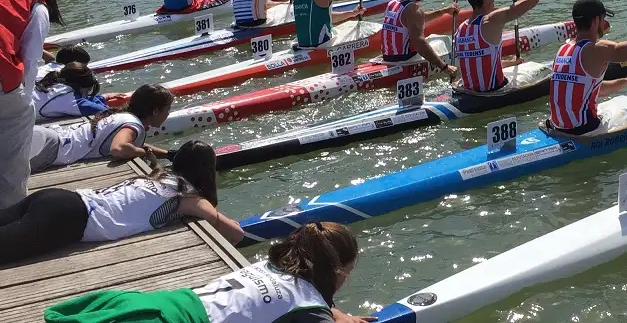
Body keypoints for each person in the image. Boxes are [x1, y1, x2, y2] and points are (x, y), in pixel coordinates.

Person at [44, 222, 375, 323]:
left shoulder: (270, 265)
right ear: (338, 270)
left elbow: (286, 300)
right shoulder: (309, 308)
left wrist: (337, 316)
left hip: (153, 304)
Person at [0, 140, 243, 266]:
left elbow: (156, 168)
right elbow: (236, 234)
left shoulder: (158, 175)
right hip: (67, 220)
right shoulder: (189, 198)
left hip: (59, 198)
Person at [547, 0, 627, 136]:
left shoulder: (562, 50)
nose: (604, 24)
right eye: (603, 19)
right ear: (595, 21)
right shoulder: (597, 49)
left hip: (557, 127)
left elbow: (591, 88)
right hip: (584, 129)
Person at [0, 0, 62, 207]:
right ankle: (8, 221)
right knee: (12, 164)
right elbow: (30, 59)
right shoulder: (35, 4)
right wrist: (23, 103)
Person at [30, 83, 174, 171]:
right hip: (50, 150)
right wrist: (143, 152)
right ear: (155, 111)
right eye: (168, 108)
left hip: (48, 138)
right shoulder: (133, 125)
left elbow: (131, 143)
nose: (168, 113)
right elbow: (119, 148)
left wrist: (168, 154)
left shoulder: (124, 116)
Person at [455, 0, 538, 93]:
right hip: (493, 93)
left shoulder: (460, 29)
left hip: (468, 92)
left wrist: (512, 63)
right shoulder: (491, 20)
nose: (494, 0)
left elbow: (479, 63)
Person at [381, 0, 459, 74]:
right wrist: (445, 67)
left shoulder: (392, 4)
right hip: (406, 61)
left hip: (387, 58)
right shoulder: (414, 10)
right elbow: (418, 42)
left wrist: (443, 11)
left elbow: (415, 20)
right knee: (441, 41)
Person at [33, 62, 108, 122]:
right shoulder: (72, 101)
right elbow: (105, 111)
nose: (86, 93)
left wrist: (103, 97)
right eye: (87, 90)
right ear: (81, 87)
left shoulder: (50, 80)